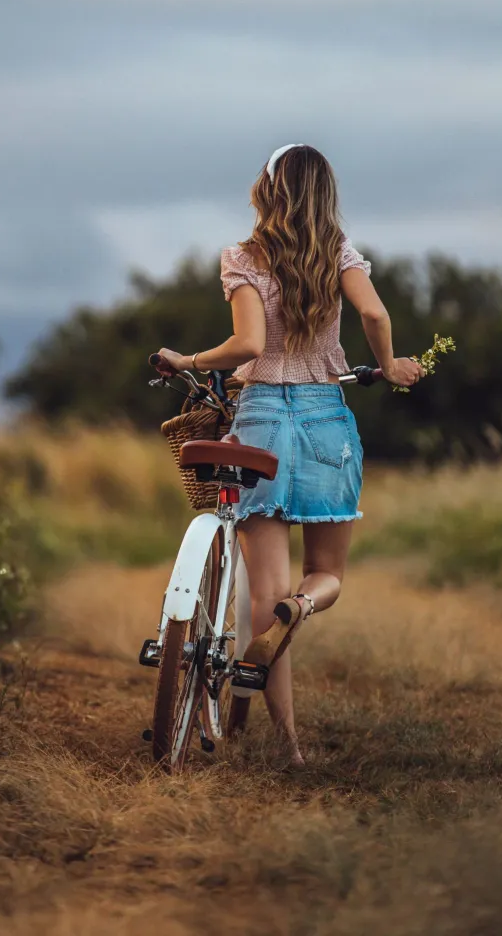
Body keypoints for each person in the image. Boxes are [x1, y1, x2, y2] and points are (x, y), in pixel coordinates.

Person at [157, 144, 423, 765]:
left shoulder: (243, 258)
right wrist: (389, 365)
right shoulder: (338, 253)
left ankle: (291, 748)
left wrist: (188, 360)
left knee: (261, 597)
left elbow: (247, 343)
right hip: (327, 421)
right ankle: (301, 606)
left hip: (262, 423)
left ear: (268, 188)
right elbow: (375, 313)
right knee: (323, 576)